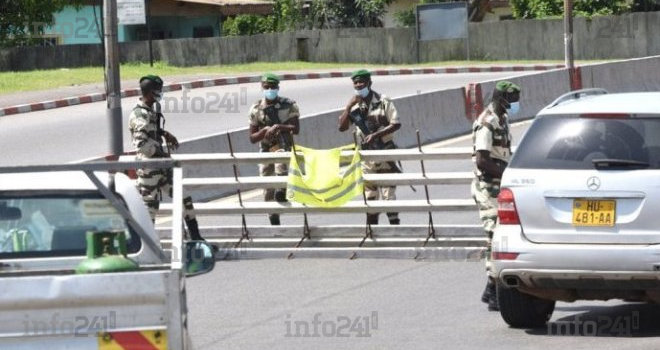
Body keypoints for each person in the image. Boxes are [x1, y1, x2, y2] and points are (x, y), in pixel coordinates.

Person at [128, 75, 208, 243]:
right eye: (158, 91)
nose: (160, 94)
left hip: (162, 167)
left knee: (184, 199)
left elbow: (152, 131)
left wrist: (165, 134)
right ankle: (147, 247)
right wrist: (163, 156)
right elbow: (142, 145)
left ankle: (197, 240)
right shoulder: (139, 114)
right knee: (150, 210)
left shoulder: (151, 110)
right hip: (149, 169)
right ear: (150, 93)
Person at [471, 80, 521, 311]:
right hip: (487, 188)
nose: (515, 104)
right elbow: (482, 161)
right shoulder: (487, 123)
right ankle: (493, 290)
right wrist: (507, 174)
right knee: (493, 235)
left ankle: (491, 288)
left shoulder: (502, 119)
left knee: (500, 235)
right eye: (511, 100)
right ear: (501, 99)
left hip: (499, 186)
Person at [338, 69, 401, 225]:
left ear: (369, 83)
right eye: (356, 82)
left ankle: (395, 231)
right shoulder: (354, 106)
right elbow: (342, 127)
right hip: (366, 157)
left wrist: (376, 135)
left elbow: (396, 123)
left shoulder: (383, 100)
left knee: (388, 197)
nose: (359, 85)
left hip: (385, 153)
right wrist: (348, 107)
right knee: (370, 197)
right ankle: (372, 234)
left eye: (362, 82)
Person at [248, 73, 300, 225]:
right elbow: (252, 138)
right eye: (267, 87)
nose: (270, 89)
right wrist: (264, 131)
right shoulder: (256, 109)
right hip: (265, 150)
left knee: (281, 165)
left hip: (283, 146)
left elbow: (295, 128)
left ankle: (282, 191)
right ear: (262, 87)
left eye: (273, 87)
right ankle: (274, 220)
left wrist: (279, 127)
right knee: (267, 189)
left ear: (278, 88)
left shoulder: (289, 105)